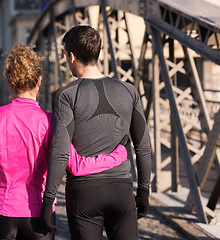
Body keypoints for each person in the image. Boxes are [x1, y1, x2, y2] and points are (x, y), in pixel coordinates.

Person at [0, 44, 129, 240]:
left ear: (9, 82)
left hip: (2, 211)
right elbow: (77, 166)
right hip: (39, 212)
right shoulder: (49, 121)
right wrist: (118, 155)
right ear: (39, 81)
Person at [40, 26, 152, 240]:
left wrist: (48, 200)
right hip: (121, 190)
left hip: (84, 193)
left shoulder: (66, 95)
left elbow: (61, 152)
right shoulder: (129, 91)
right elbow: (143, 147)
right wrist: (144, 191)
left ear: (71, 56)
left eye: (65, 54)